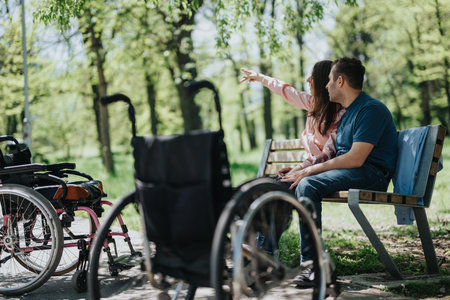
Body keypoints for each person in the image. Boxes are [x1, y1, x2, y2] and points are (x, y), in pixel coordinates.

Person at [280, 57, 398, 285]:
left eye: (330, 80)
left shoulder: (370, 110)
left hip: (371, 174)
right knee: (285, 183)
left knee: (308, 184)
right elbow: (332, 153)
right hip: (355, 171)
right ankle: (264, 253)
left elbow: (355, 158)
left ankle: (313, 265)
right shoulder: (347, 112)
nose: (326, 86)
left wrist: (312, 171)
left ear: (340, 81)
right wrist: (302, 168)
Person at [240, 60, 344, 177]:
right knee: (265, 185)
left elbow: (326, 155)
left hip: (321, 174)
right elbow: (287, 91)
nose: (308, 80)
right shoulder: (312, 104)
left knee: (272, 188)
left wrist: (299, 169)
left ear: (323, 82)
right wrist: (260, 78)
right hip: (308, 170)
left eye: (313, 76)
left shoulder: (341, 116)